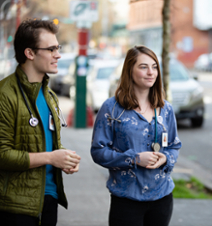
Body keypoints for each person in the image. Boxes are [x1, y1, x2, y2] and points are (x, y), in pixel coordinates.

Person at [0, 19, 81, 226]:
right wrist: (51, 157)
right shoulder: (5, 94)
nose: (58, 54)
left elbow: (45, 143)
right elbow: (2, 154)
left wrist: (64, 158)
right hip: (16, 205)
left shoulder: (50, 96)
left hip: (49, 198)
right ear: (30, 53)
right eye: (51, 49)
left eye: (58, 48)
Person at [91, 45, 182, 226]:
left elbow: (174, 145)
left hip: (162, 198)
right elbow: (98, 151)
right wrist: (134, 158)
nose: (151, 72)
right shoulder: (112, 108)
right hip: (126, 201)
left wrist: (165, 158)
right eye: (143, 67)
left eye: (154, 67)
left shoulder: (166, 108)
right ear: (129, 70)